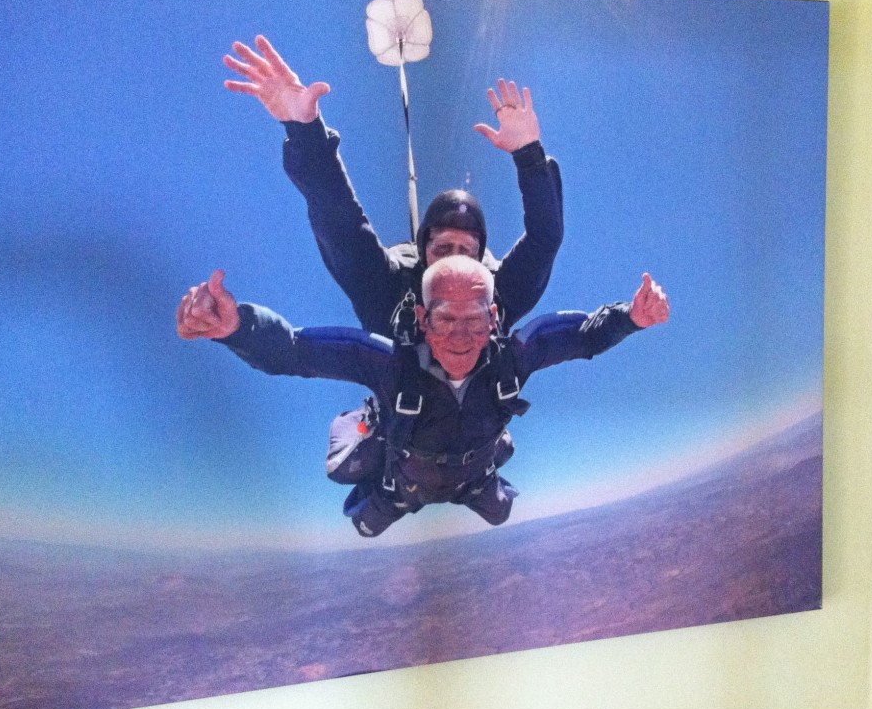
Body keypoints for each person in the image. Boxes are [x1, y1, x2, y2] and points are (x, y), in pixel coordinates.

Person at [176, 256, 670, 537]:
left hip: (474, 474)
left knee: (500, 511)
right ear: (421, 321)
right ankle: (380, 465)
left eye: (475, 319)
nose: (459, 335)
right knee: (366, 520)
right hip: (403, 484)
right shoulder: (390, 365)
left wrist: (631, 316)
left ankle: (478, 476)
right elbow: (293, 351)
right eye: (444, 319)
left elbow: (580, 335)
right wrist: (236, 326)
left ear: (494, 320)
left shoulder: (512, 358)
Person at [223, 35, 564, 338]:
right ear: (421, 252)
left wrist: (530, 156)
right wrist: (305, 131)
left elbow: (544, 239)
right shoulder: (386, 290)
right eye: (443, 249)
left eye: (466, 251)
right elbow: (339, 223)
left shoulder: (496, 294)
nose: (453, 263)